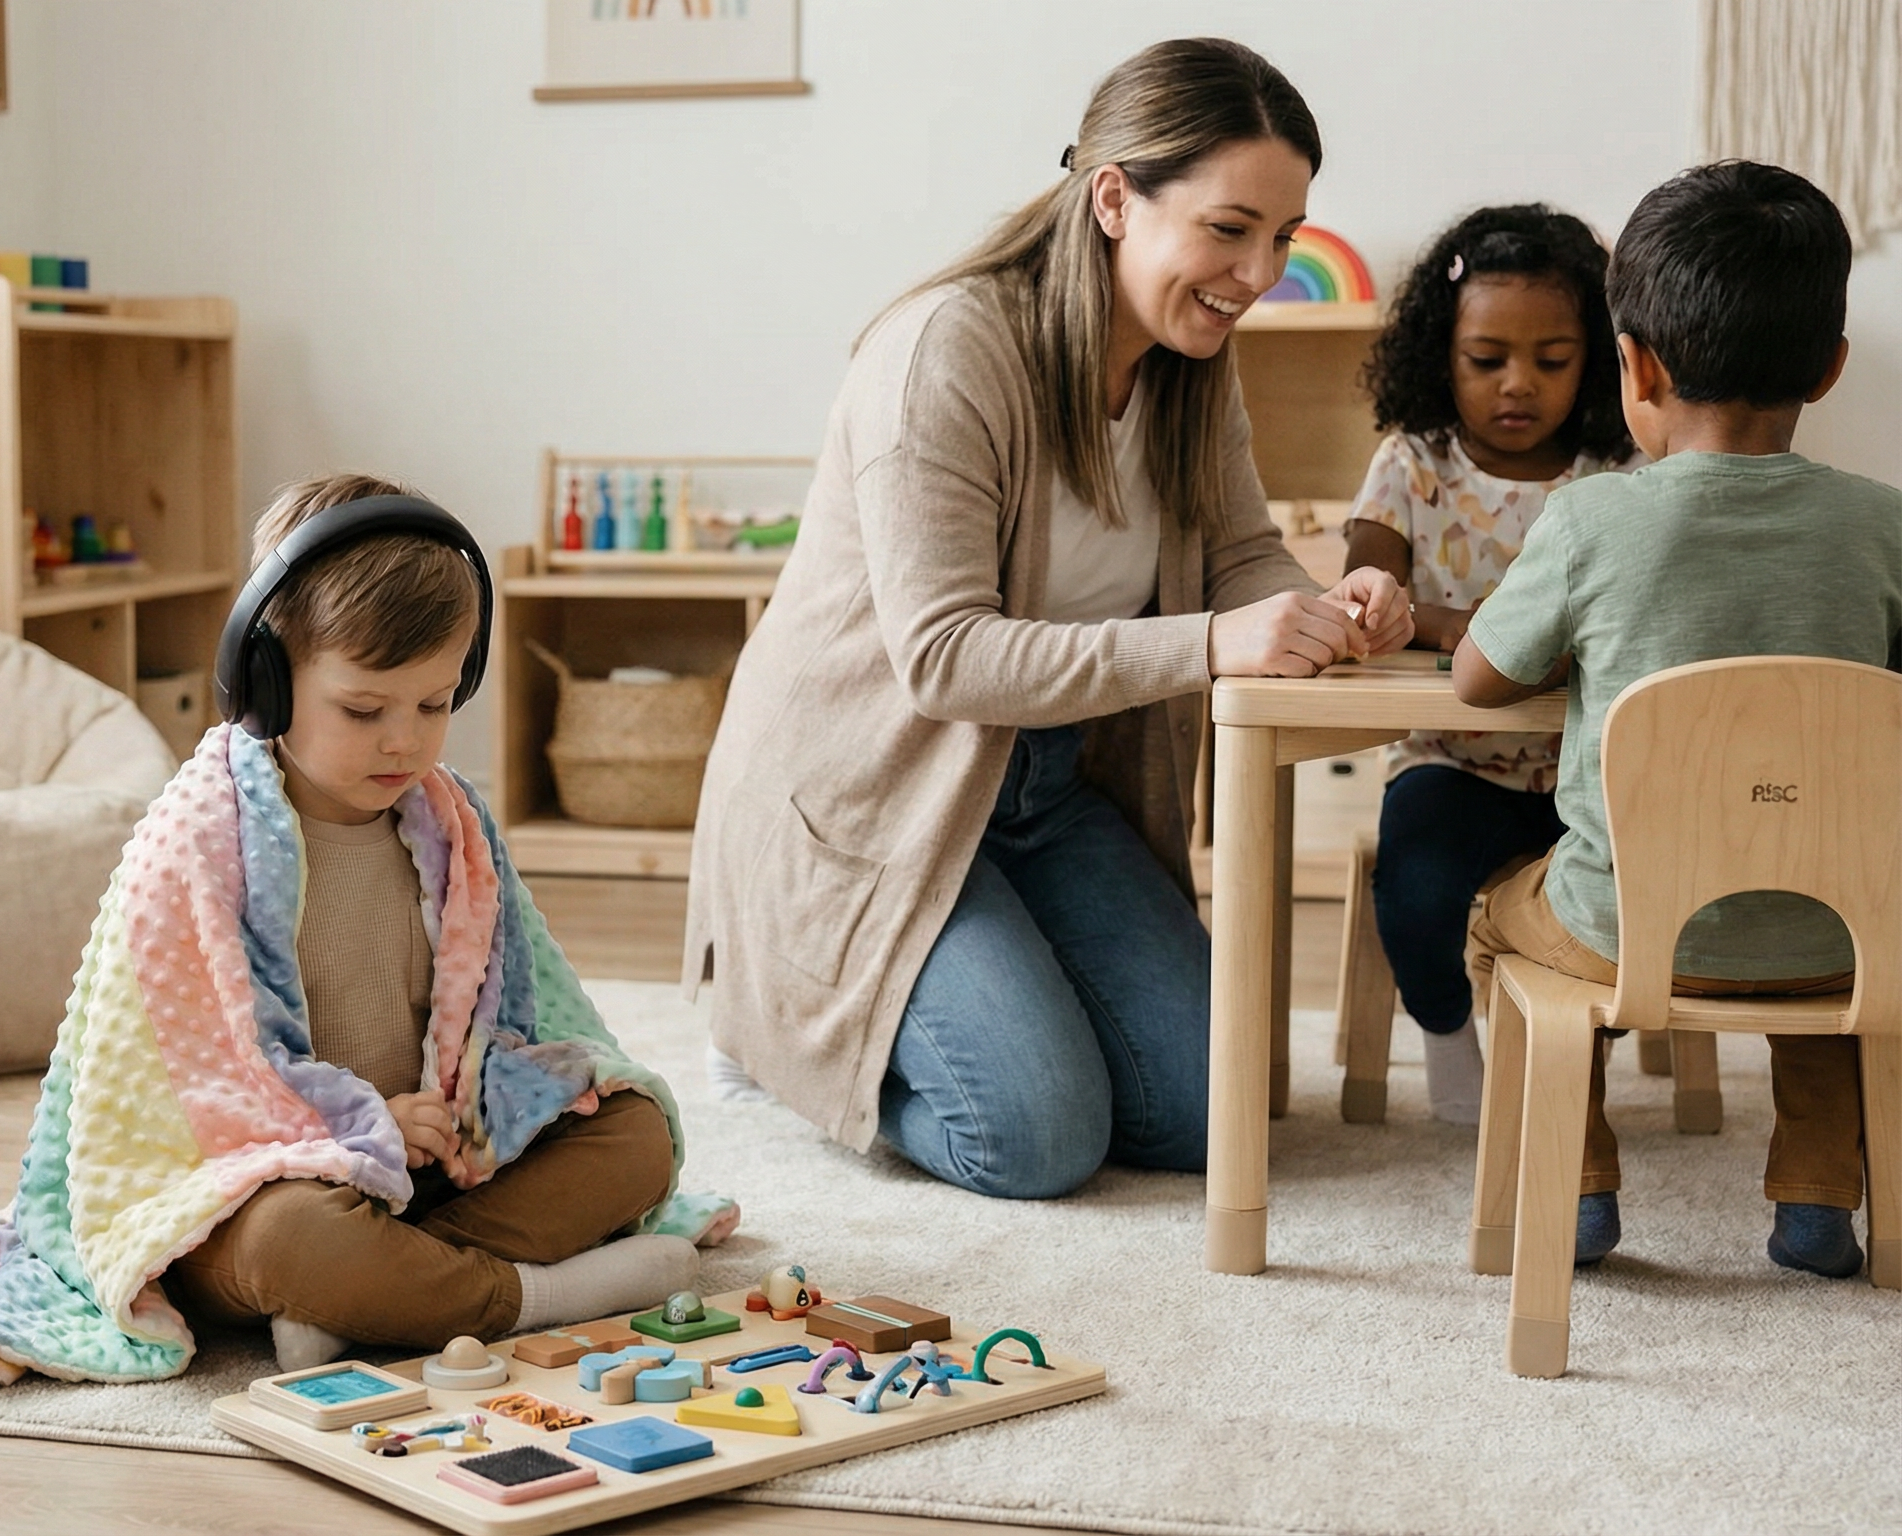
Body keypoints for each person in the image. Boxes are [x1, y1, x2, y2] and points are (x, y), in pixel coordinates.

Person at [685, 38, 1409, 1202]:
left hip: (1041, 784)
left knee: (1209, 1111)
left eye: (1281, 236)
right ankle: (776, 1040)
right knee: (1033, 1139)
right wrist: (1217, 643)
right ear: (1115, 197)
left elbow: (1236, 549)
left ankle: (974, 983)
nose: (1260, 271)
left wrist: (1319, 605)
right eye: (1230, 229)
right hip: (873, 792)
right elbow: (943, 658)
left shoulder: (1190, 360)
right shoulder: (945, 352)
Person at [0, 476, 730, 1392]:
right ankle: (526, 1297)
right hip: (263, 1184)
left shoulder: (451, 824)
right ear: (264, 679)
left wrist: (462, 1110)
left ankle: (376, 1291)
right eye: (364, 710)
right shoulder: (196, 840)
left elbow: (515, 1013)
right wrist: (360, 1125)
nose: (406, 744)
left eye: (434, 704)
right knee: (292, 1238)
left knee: (634, 1133)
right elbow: (179, 1092)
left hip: (426, 1169)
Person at [1454, 161, 1902, 1278]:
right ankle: (1813, 1205)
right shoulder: (1884, 528)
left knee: (1498, 919)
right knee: (1816, 926)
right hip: (1841, 933)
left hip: (1625, 928)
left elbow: (1477, 680)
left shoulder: (1589, 519)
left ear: (1634, 367)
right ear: (1832, 366)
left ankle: (1579, 1185)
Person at [1342, 205, 1641, 1123]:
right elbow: (1366, 581)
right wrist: (1383, 601)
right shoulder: (1413, 464)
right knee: (1418, 891)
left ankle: (1569, 1060)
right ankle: (1444, 1032)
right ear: (1443, 352)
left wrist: (1440, 626)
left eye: (1552, 361)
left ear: (1596, 357)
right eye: (1487, 360)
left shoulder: (1614, 472)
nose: (1519, 385)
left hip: (1587, 779)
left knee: (1630, 915)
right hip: (1453, 767)